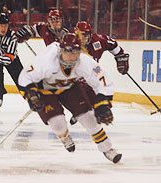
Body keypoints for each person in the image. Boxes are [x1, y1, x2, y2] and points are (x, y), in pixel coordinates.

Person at [18, 33, 122, 164]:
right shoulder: (47, 60)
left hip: (69, 87)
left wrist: (103, 104)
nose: (72, 57)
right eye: (68, 51)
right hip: (45, 89)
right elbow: (25, 77)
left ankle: (108, 149)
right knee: (57, 124)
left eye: (76, 52)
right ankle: (64, 137)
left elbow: (103, 81)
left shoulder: (84, 62)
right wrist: (31, 95)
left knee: (89, 118)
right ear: (61, 50)